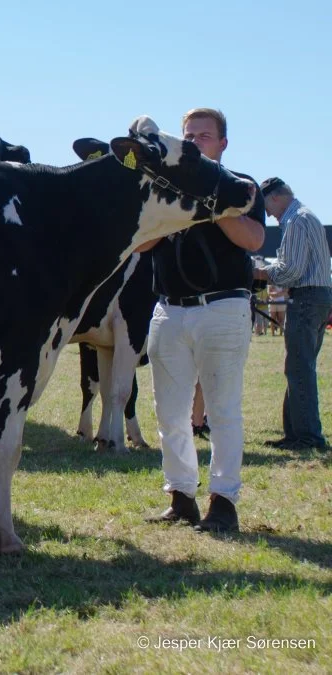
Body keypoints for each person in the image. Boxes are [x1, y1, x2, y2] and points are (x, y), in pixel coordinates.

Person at [145, 108, 265, 534]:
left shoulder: (240, 186)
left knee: (222, 408)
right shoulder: (162, 188)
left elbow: (253, 239)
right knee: (169, 411)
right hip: (170, 308)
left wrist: (215, 204)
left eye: (205, 136)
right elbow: (143, 245)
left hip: (223, 306)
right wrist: (172, 207)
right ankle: (181, 497)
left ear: (222, 144)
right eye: (189, 135)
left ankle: (224, 502)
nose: (195, 141)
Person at [254, 177, 332, 450]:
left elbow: (291, 270)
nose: (270, 216)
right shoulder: (306, 215)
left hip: (307, 297)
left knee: (299, 368)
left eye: (267, 208)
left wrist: (259, 273)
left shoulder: (295, 220)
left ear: (275, 197)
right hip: (319, 297)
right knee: (299, 366)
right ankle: (296, 434)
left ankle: (308, 436)